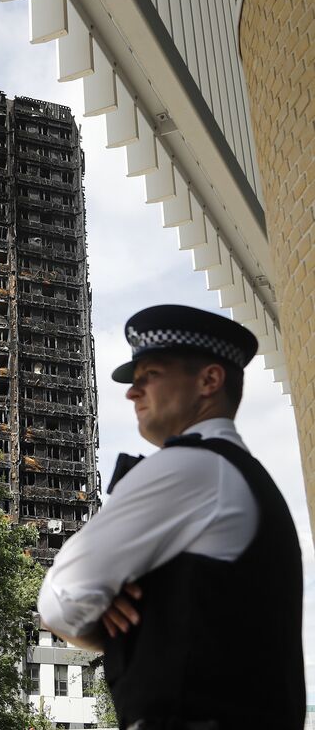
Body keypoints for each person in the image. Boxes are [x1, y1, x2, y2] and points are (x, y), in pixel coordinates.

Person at [37, 305, 305, 730]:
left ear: (209, 380)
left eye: (150, 375)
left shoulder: (189, 467)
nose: (132, 392)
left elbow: (60, 601)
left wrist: (120, 627)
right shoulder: (240, 475)